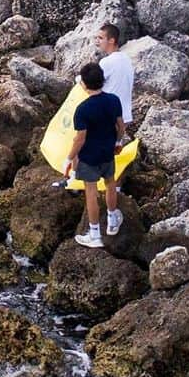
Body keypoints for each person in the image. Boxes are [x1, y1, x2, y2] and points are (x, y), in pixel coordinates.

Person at [65, 63, 125, 249]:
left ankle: (95, 234)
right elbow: (121, 126)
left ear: (83, 84)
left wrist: (69, 158)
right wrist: (117, 143)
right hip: (108, 152)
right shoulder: (113, 100)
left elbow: (80, 139)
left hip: (89, 158)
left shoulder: (82, 109)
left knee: (91, 193)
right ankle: (113, 220)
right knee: (110, 183)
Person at [95, 23, 133, 132]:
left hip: (110, 115)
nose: (97, 41)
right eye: (97, 38)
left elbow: (91, 82)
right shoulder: (127, 59)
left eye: (101, 38)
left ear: (111, 40)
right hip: (125, 115)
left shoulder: (107, 62)